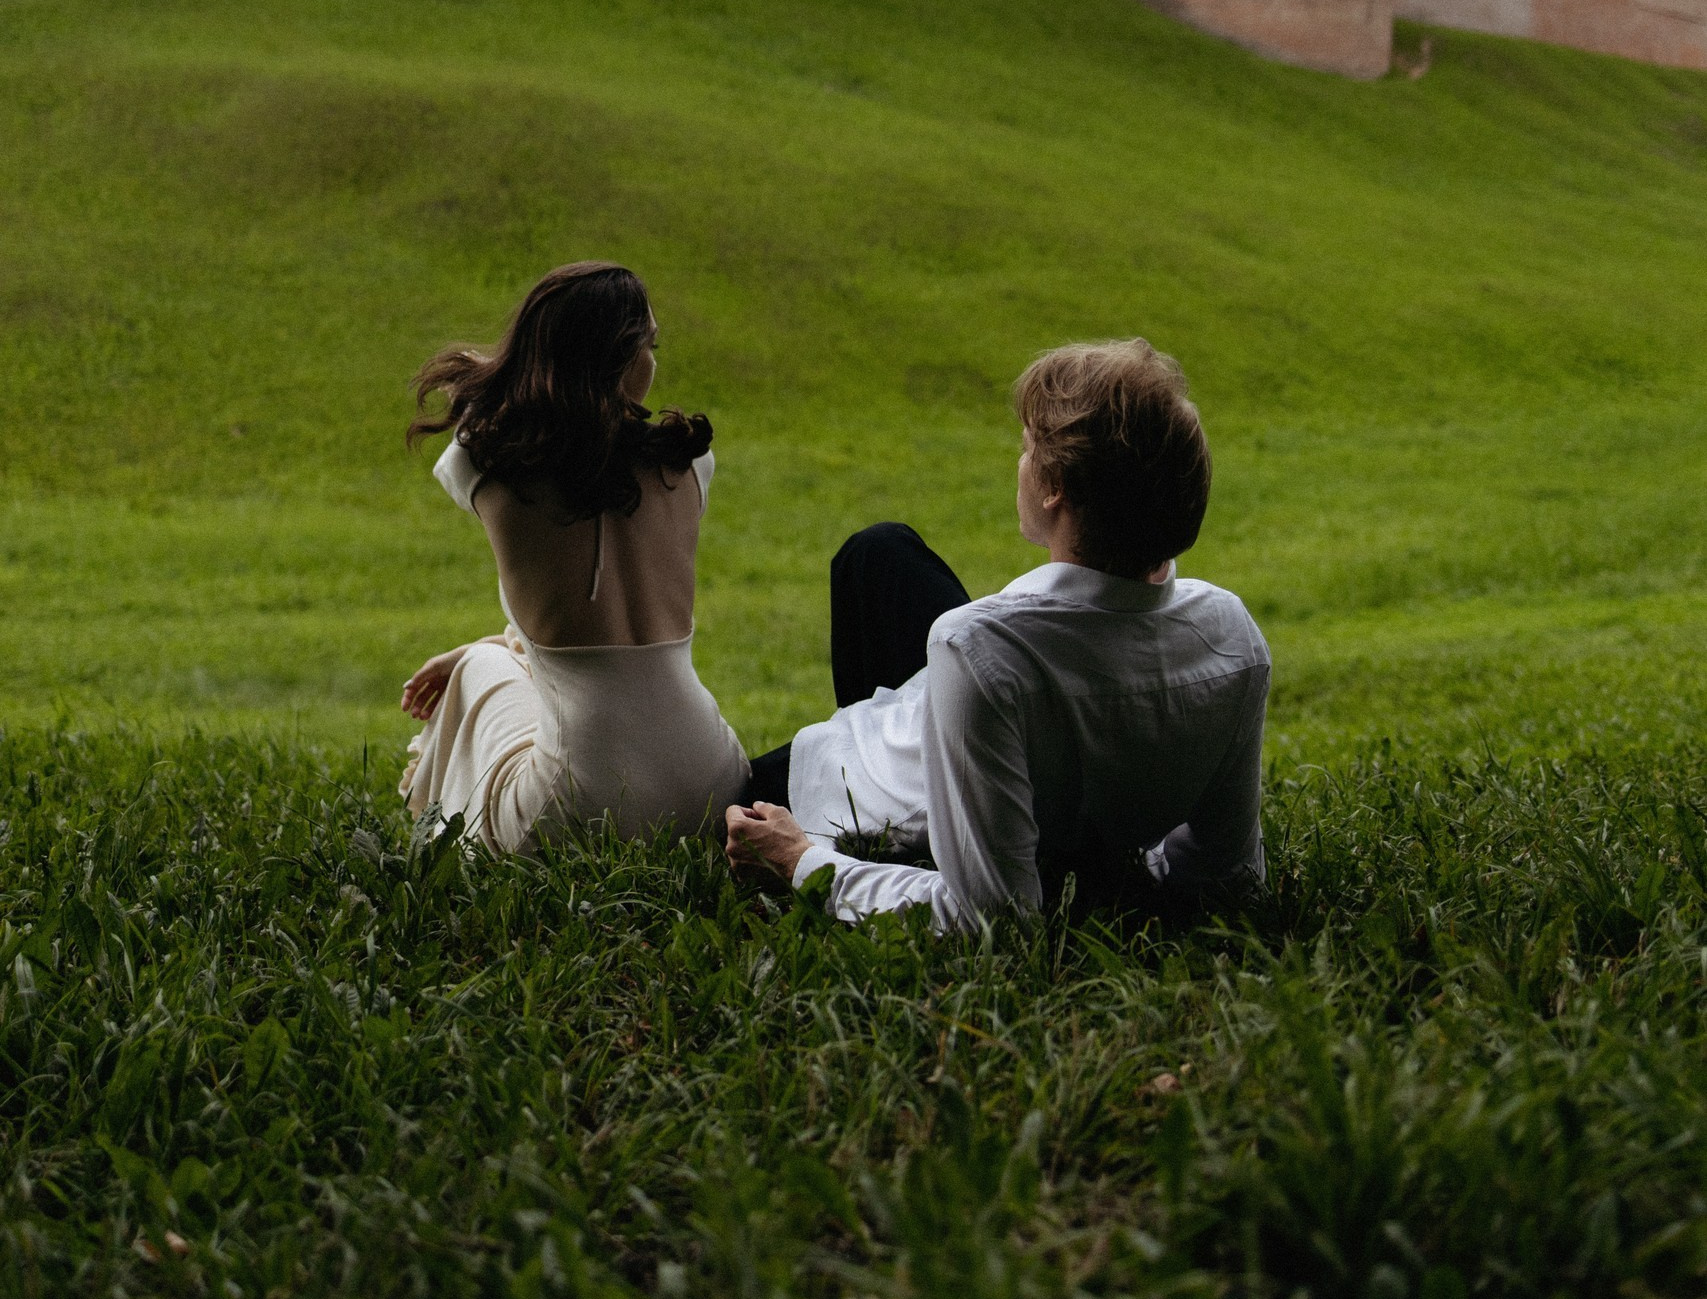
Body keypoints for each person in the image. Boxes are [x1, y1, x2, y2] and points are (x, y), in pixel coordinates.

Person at [725, 338, 1270, 930]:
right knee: (879, 554)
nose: (1020, 463)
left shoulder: (977, 648)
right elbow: (1225, 873)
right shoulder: (1231, 635)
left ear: (1056, 488)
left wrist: (801, 861)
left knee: (724, 800)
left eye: (1027, 448)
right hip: (1001, 718)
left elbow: (989, 916)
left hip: (894, 784)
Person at [399, 262, 747, 853]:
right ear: (622, 357)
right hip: (712, 789)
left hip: (576, 810)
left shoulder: (483, 466)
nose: (653, 361)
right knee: (509, 662)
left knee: (478, 668)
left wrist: (486, 650)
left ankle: (428, 830)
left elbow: (579, 640)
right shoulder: (690, 467)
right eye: (650, 345)